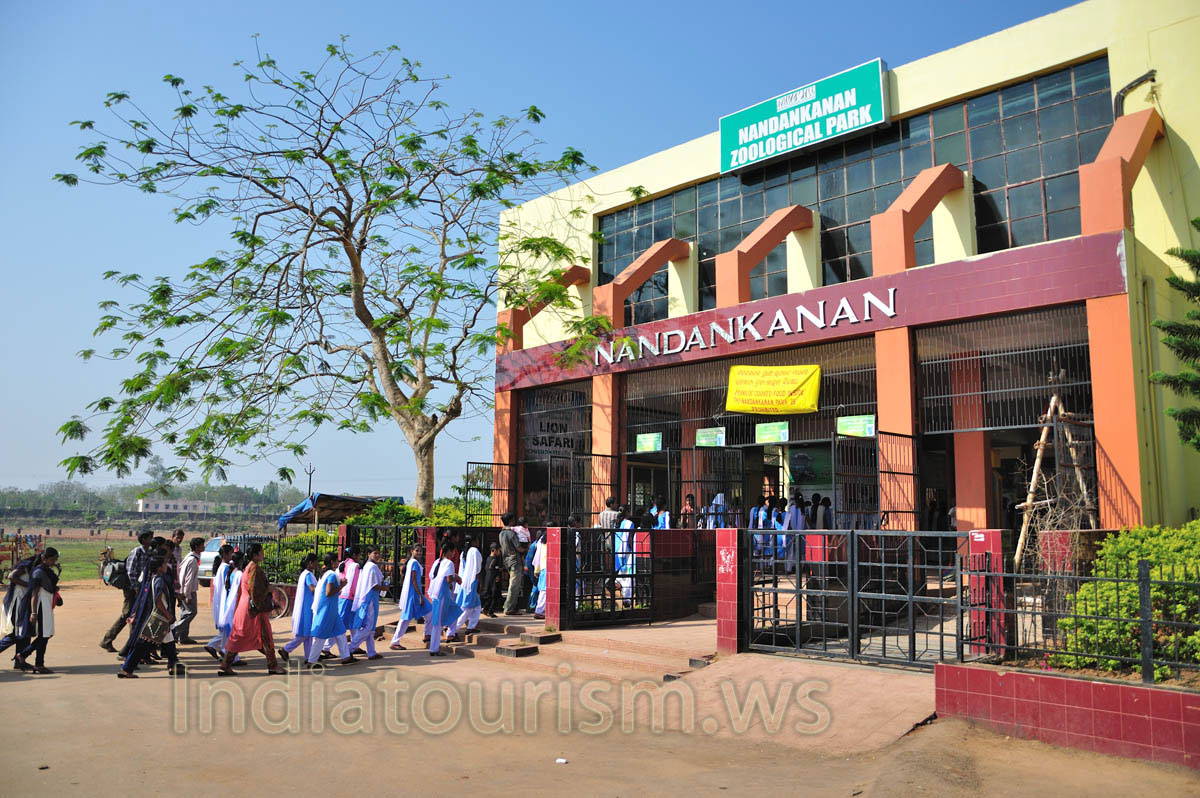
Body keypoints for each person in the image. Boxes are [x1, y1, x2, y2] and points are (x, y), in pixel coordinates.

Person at [218, 543, 284, 676]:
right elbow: (254, 590)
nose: (263, 554)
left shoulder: (248, 568)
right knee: (264, 637)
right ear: (255, 555)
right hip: (253, 610)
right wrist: (268, 590)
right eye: (261, 552)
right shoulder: (254, 569)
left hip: (246, 607)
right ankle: (273, 665)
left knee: (239, 636)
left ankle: (226, 664)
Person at [118, 553, 181, 678]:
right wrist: (168, 614)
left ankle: (174, 665)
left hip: (159, 618)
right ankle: (126, 669)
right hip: (159, 618)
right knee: (143, 645)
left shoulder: (152, 579)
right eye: (164, 564)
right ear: (159, 567)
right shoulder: (159, 581)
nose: (166, 566)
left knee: (169, 641)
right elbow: (158, 601)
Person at [100, 529, 154, 652]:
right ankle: (108, 640)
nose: (151, 540)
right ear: (144, 539)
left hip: (140, 588)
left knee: (134, 615)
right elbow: (131, 572)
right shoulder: (137, 552)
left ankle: (130, 643)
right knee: (128, 614)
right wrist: (136, 588)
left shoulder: (148, 553)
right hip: (131, 589)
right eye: (150, 538)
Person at [15, 548, 60, 675]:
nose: (54, 562)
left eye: (55, 559)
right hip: (41, 605)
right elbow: (34, 594)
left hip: (46, 604)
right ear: (44, 559)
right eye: (52, 559)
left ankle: (26, 656)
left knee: (47, 634)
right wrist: (33, 612)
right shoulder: (38, 572)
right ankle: (37, 663)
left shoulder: (46, 571)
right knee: (45, 634)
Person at [307, 552, 354, 668]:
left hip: (331, 609)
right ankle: (312, 661)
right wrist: (341, 586)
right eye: (337, 561)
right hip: (327, 609)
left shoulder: (325, 574)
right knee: (320, 635)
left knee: (340, 632)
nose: (339, 563)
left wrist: (339, 588)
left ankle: (346, 656)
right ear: (332, 562)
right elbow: (328, 593)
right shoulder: (332, 575)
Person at [0, 552, 40, 669]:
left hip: (23, 602)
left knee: (25, 633)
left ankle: (19, 661)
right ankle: (19, 661)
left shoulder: (32, 568)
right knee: (16, 634)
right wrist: (28, 585)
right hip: (17, 603)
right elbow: (11, 576)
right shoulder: (26, 566)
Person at [390, 543, 433, 650]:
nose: (419, 552)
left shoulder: (412, 562)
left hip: (416, 593)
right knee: (405, 618)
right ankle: (395, 641)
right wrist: (420, 595)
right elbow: (414, 580)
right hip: (413, 594)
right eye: (417, 550)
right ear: (412, 551)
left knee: (430, 612)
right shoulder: (413, 563)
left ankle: (427, 634)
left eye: (420, 551)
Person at [279, 553, 319, 663]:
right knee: (305, 634)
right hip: (306, 608)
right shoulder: (308, 575)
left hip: (306, 607)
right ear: (310, 563)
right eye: (316, 562)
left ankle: (308, 657)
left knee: (308, 634)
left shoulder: (304, 574)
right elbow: (312, 589)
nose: (317, 564)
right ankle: (286, 649)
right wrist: (322, 588)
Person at [348, 546, 386, 661]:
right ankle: (350, 649)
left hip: (367, 599)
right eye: (375, 553)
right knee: (369, 628)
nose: (377, 555)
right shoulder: (372, 567)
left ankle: (371, 652)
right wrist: (384, 588)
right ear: (369, 554)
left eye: (378, 553)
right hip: (370, 600)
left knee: (370, 628)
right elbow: (374, 586)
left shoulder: (367, 566)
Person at [426, 544, 462, 657]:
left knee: (454, 612)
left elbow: (432, 576)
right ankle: (434, 648)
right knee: (438, 623)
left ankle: (449, 633)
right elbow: (448, 579)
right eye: (453, 551)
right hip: (442, 594)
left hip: (438, 593)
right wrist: (456, 577)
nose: (454, 554)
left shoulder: (437, 562)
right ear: (449, 551)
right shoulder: (449, 563)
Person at [204, 544, 235, 659]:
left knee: (225, 632)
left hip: (220, 601)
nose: (232, 556)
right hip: (224, 601)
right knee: (227, 631)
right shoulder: (226, 568)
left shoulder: (222, 567)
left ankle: (216, 647)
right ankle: (221, 649)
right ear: (225, 555)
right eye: (231, 553)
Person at [172, 536, 204, 644]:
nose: (203, 547)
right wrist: (188, 595)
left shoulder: (190, 557)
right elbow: (188, 580)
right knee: (191, 612)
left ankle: (183, 636)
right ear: (197, 547)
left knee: (185, 613)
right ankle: (174, 631)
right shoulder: (192, 560)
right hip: (188, 591)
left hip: (184, 590)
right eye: (202, 545)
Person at [455, 536, 483, 633]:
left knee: (477, 606)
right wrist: (480, 582)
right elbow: (477, 569)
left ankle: (471, 626)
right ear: (474, 541)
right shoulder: (474, 551)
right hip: (472, 581)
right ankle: (453, 629)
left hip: (465, 580)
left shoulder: (464, 552)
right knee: (468, 608)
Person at [499, 512, 525, 616]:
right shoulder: (511, 534)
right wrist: (525, 549)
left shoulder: (501, 533)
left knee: (513, 584)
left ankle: (509, 606)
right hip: (515, 560)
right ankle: (509, 607)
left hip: (507, 561)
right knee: (514, 585)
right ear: (510, 521)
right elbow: (518, 548)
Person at [480, 542, 504, 619]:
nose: (499, 552)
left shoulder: (488, 558)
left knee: (489, 595)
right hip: (492, 579)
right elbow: (491, 567)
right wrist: (498, 570)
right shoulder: (494, 559)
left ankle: (486, 609)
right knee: (494, 595)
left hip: (488, 578)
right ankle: (490, 611)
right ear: (494, 550)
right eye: (499, 550)